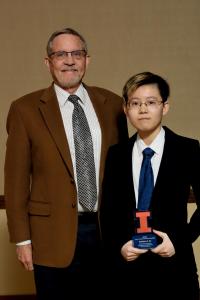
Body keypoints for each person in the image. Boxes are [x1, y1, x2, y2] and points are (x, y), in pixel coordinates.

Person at [4, 27, 128, 299]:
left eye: (77, 53)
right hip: (51, 237)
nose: (69, 60)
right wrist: (22, 239)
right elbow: (15, 180)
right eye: (60, 54)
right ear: (48, 62)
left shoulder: (113, 105)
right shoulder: (25, 109)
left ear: (87, 60)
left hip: (106, 232)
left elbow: (123, 173)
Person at [100, 71, 200, 299]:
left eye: (151, 102)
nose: (143, 109)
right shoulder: (116, 154)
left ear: (164, 107)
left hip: (174, 266)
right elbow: (108, 211)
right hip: (127, 268)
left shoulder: (187, 149)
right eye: (135, 103)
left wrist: (179, 241)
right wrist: (119, 246)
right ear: (126, 109)